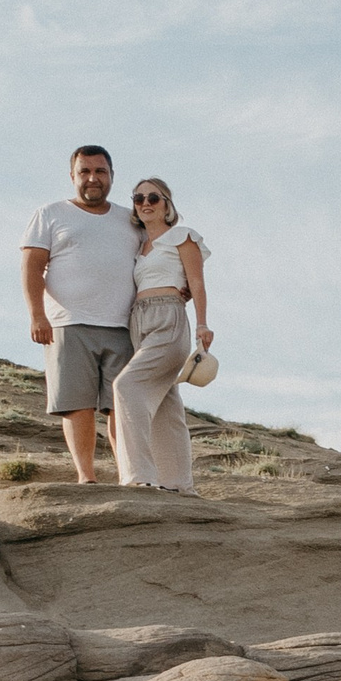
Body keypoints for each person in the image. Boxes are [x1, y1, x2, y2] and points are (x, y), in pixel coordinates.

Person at [20, 145, 136, 483]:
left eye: (100, 171)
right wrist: (37, 315)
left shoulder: (130, 220)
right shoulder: (50, 214)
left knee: (122, 406)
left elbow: (153, 262)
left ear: (111, 176)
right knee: (77, 403)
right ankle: (86, 476)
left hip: (123, 325)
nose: (92, 178)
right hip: (69, 323)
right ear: (73, 176)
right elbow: (31, 267)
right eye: (84, 172)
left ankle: (128, 475)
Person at [109, 178, 213, 492]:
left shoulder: (182, 236)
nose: (145, 203)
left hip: (168, 317)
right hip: (139, 321)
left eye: (154, 197)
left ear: (167, 204)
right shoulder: (139, 247)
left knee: (126, 385)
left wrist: (202, 324)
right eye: (138, 197)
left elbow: (196, 282)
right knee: (167, 404)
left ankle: (139, 475)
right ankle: (180, 484)